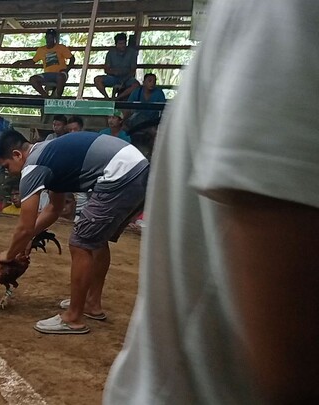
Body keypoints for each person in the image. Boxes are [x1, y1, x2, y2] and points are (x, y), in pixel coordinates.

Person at [105, 2, 319, 404]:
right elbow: (295, 357)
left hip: (125, 175)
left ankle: (81, 311)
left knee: (87, 239)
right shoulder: (291, 15)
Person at [0, 129, 148, 334]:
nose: (8, 172)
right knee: (96, 240)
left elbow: (24, 225)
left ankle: (73, 318)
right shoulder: (50, 156)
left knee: (80, 242)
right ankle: (92, 303)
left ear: (17, 155)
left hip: (121, 174)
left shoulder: (33, 166)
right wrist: (29, 239)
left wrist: (9, 254)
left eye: (6, 166)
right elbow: (53, 209)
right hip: (138, 170)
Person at [13, 29, 75, 98]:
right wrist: (20, 62)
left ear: (55, 38)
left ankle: (57, 98)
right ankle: (46, 97)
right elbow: (32, 61)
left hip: (60, 73)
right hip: (47, 75)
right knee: (33, 79)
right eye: (48, 37)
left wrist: (66, 70)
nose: (49, 39)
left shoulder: (61, 47)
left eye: (51, 37)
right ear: (45, 38)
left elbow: (72, 58)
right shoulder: (41, 50)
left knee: (61, 77)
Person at [93, 33, 139, 100]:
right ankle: (107, 98)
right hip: (113, 78)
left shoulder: (131, 53)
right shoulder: (111, 53)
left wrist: (124, 81)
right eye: (120, 44)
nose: (122, 45)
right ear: (116, 44)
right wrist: (114, 72)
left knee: (136, 85)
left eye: (124, 43)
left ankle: (117, 98)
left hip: (127, 78)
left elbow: (133, 70)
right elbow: (106, 69)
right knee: (97, 80)